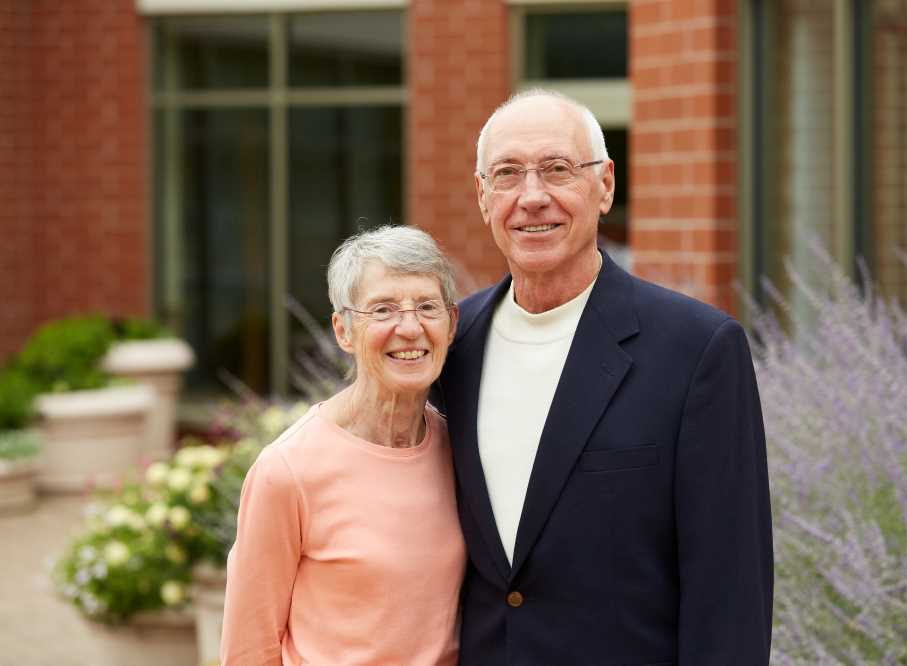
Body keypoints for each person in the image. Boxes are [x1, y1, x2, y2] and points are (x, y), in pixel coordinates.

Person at [435, 89, 773, 665]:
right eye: (509, 174)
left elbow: (730, 584)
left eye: (558, 170)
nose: (533, 196)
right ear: (482, 196)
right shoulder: (450, 345)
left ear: (606, 185)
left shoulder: (696, 350)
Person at [220, 226, 465, 666]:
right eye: (383, 309)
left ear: (451, 325)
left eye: (427, 307)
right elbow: (247, 650)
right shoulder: (288, 470)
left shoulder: (460, 450)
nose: (409, 328)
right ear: (343, 330)